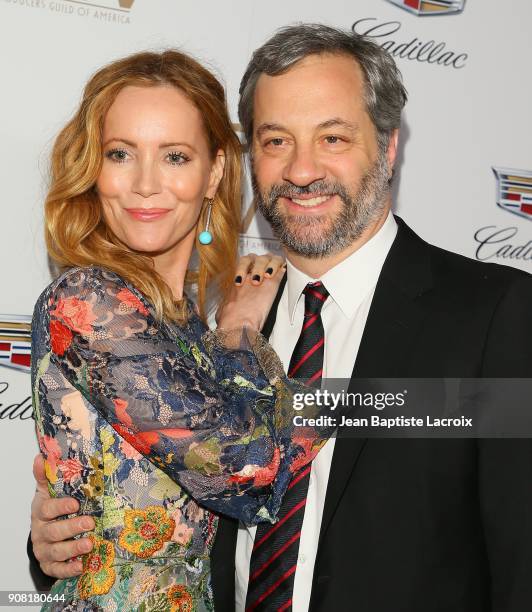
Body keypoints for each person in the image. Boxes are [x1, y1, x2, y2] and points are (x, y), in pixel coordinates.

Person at [29, 25, 532, 612]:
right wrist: (54, 544)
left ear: (389, 146)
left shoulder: (494, 314)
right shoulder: (223, 326)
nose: (300, 170)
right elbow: (176, 492)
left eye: (334, 138)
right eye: (275, 141)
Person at [29, 48, 331, 611]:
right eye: (121, 153)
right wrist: (242, 334)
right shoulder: (88, 303)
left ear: (214, 171)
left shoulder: (184, 324)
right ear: (94, 166)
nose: (145, 184)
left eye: (174, 156)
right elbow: (249, 470)